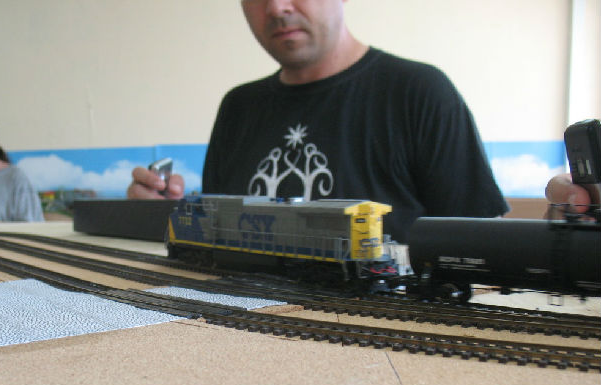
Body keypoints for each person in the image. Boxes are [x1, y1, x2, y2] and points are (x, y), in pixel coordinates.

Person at [128, 0, 515, 243]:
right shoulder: (237, 107)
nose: (276, 7)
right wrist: (169, 215)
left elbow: (482, 248)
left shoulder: (421, 91)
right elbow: (220, 237)